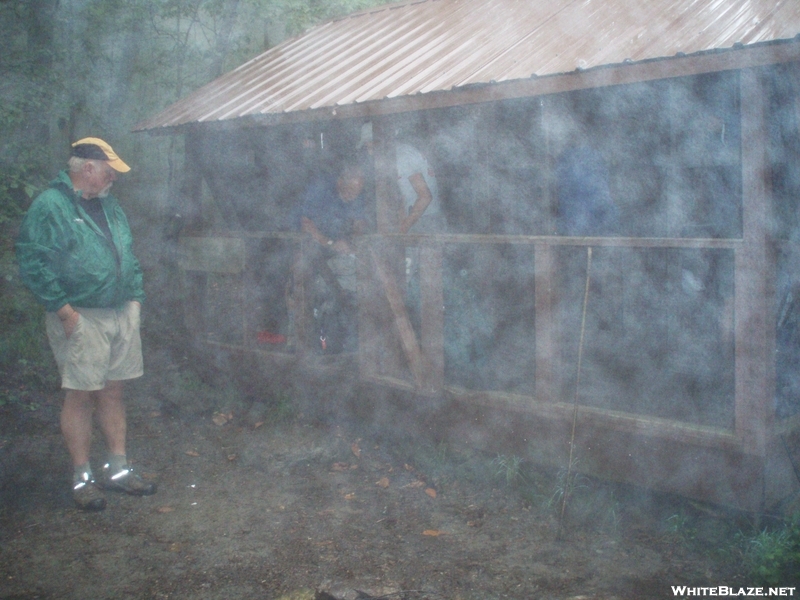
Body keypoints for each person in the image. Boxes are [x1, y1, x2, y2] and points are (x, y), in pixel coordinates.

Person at [16, 137, 156, 511]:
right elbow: (32, 262)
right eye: (109, 170)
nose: (114, 178)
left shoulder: (111, 206)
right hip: (80, 314)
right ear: (88, 168)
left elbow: (129, 254)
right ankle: (82, 479)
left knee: (113, 391)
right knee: (79, 394)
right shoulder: (51, 205)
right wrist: (64, 312)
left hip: (119, 312)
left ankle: (119, 471)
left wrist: (136, 299)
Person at [294, 161, 368, 352]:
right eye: (350, 192)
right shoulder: (320, 189)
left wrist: (355, 242)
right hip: (304, 245)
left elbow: (359, 222)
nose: (353, 197)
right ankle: (299, 343)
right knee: (303, 289)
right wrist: (330, 243)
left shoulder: (356, 191)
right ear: (340, 182)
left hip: (334, 250)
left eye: (357, 192)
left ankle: (345, 343)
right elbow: (305, 223)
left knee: (346, 290)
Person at [356, 121, 444, 234]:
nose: (369, 153)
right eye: (367, 147)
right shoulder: (396, 153)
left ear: (380, 142)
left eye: (371, 147)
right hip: (417, 216)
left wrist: (403, 228)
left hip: (426, 218)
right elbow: (401, 195)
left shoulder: (401, 158)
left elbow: (425, 196)